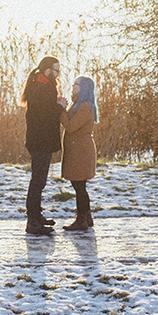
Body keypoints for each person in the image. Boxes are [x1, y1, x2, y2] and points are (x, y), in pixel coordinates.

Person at [20, 56, 67, 235]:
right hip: (40, 141)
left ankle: (36, 216)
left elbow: (44, 109)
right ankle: (32, 221)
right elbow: (45, 115)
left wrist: (55, 103)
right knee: (38, 181)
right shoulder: (40, 86)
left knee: (39, 181)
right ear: (47, 70)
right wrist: (60, 106)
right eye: (56, 70)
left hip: (40, 140)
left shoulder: (42, 84)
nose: (58, 73)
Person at [60, 75, 98, 231]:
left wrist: (60, 110)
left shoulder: (84, 107)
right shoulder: (78, 104)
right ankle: (86, 216)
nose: (73, 86)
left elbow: (70, 126)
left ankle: (82, 218)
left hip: (80, 150)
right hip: (78, 149)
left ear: (83, 88)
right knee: (79, 185)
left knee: (79, 185)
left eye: (76, 85)